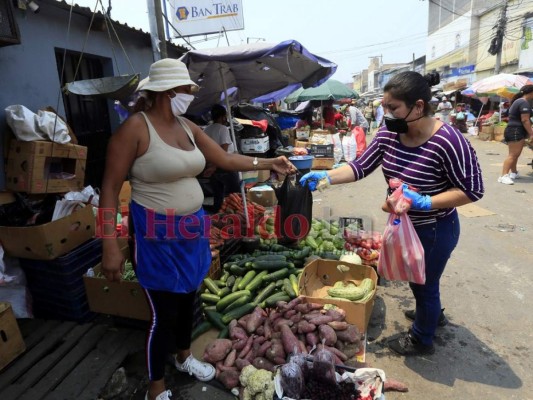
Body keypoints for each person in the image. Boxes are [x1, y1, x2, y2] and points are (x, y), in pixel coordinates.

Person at [99, 58, 296, 400]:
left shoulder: (187, 126)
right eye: (186, 90)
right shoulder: (134, 129)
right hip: (156, 234)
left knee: (189, 297)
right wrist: (109, 245)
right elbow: (109, 189)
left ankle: (184, 357)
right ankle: (156, 386)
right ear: (166, 91)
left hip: (191, 228)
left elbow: (225, 160)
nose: (190, 95)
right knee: (164, 314)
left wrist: (268, 161)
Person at [300, 71, 484, 357]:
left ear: (419, 107)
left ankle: (422, 339)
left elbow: (472, 190)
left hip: (434, 228)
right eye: (385, 106)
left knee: (425, 284)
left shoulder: (449, 141)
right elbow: (360, 166)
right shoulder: (389, 133)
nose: (386, 113)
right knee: (418, 279)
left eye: (393, 107)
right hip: (402, 225)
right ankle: (432, 315)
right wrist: (326, 177)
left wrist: (425, 201)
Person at [202, 104, 241, 210]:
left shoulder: (206, 130)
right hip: (224, 165)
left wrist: (211, 165)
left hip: (213, 165)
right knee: (235, 194)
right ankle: (235, 215)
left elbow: (205, 149)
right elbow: (223, 149)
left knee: (218, 194)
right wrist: (215, 165)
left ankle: (218, 214)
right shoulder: (222, 129)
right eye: (225, 116)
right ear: (223, 116)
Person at [498, 85, 533, 185]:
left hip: (512, 130)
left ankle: (513, 173)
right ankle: (503, 176)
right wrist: (531, 133)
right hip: (516, 131)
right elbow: (525, 119)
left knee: (514, 154)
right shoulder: (523, 102)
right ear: (531, 92)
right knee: (513, 155)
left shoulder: (518, 101)